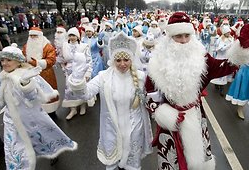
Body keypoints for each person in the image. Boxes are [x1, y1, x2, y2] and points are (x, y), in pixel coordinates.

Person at [144, 12, 249, 170]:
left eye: (186, 35)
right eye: (178, 36)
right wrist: (164, 114)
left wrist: (241, 48)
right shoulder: (157, 61)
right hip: (170, 123)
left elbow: (223, 66)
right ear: (169, 37)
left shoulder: (201, 57)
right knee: (172, 163)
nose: (183, 41)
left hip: (195, 116)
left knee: (200, 161)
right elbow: (149, 94)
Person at [67, 32, 153, 170]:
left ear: (132, 59)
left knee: (133, 163)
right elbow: (86, 93)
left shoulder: (141, 77)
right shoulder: (103, 77)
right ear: (113, 60)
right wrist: (77, 79)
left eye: (126, 59)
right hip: (112, 128)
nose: (122, 64)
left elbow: (151, 100)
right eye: (118, 60)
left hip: (134, 127)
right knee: (112, 162)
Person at [0, 44, 77, 170]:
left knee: (44, 138)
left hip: (32, 118)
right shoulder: (1, 77)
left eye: (8, 60)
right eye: (2, 60)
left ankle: (52, 152)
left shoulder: (27, 74)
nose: (4, 63)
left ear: (18, 61)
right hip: (12, 122)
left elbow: (33, 98)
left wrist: (26, 84)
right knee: (14, 152)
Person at [22, 27, 60, 120]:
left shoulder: (47, 46)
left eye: (35, 35)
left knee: (48, 93)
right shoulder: (26, 46)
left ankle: (52, 113)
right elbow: (22, 57)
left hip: (46, 74)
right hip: (31, 75)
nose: (33, 37)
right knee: (34, 94)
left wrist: (37, 63)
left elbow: (51, 60)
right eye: (31, 36)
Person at [225, 34, 249, 119]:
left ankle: (244, 106)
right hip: (244, 76)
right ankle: (240, 109)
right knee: (242, 92)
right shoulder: (247, 51)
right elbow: (238, 59)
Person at [59, 27, 94, 120]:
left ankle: (82, 105)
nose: (72, 37)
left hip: (80, 71)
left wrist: (87, 73)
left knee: (80, 89)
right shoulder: (65, 45)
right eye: (70, 35)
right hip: (69, 71)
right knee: (70, 90)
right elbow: (61, 58)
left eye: (74, 35)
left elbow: (89, 60)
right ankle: (73, 109)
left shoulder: (83, 46)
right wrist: (63, 67)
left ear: (78, 36)